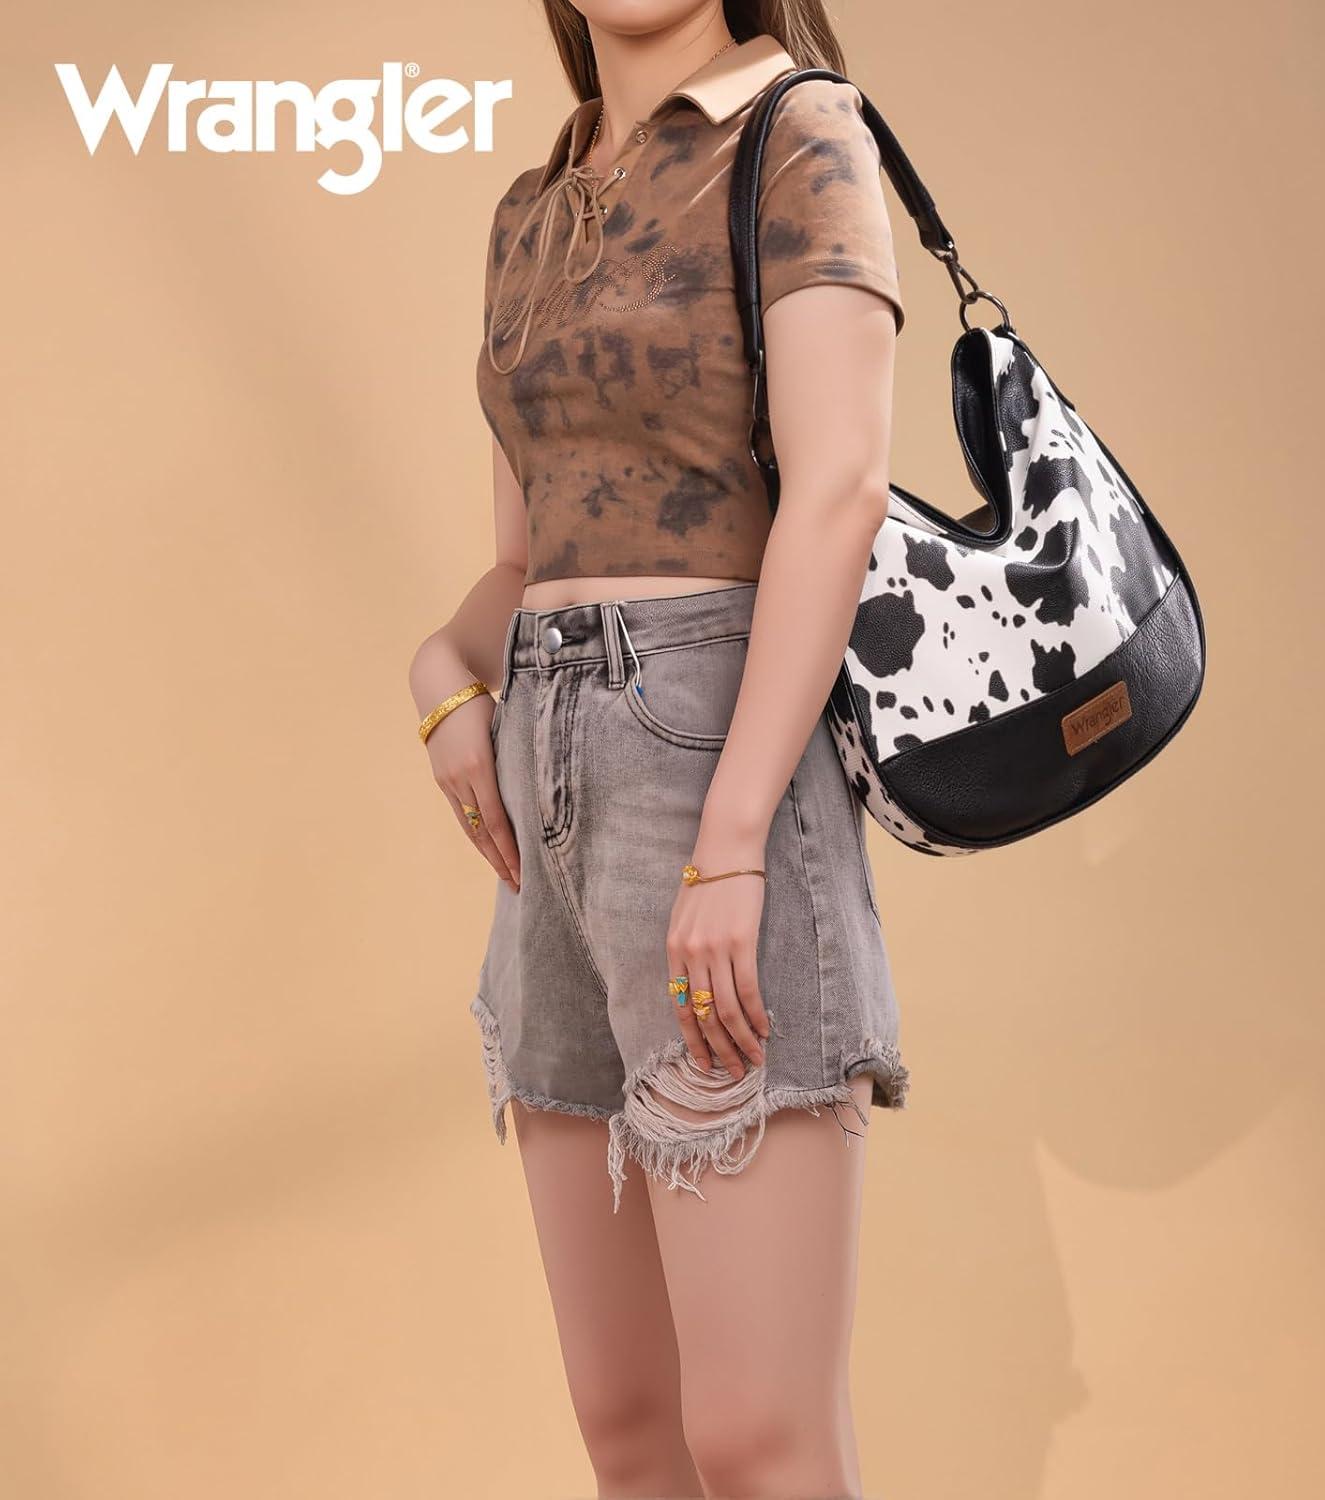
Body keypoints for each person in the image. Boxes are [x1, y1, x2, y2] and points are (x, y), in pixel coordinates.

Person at [409, 5, 909, 1495]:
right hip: (545, 782)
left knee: (756, 1434)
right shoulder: (534, 208)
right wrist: (442, 669)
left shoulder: (796, 132)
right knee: (628, 1423)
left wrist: (735, 838)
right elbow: (528, 560)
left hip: (711, 758)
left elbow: (839, 491)